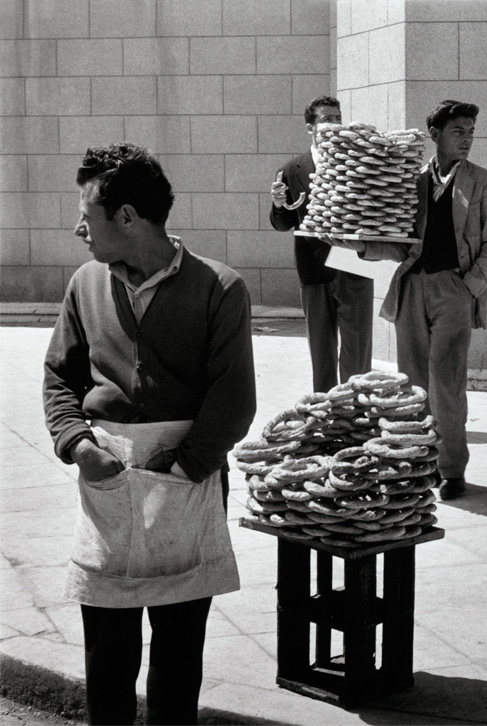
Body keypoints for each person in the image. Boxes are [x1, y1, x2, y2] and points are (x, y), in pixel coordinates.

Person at [43, 143, 256, 724]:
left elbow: (233, 399)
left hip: (189, 476)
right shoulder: (84, 284)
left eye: (88, 216)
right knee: (107, 649)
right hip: (106, 478)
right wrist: (79, 444)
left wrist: (187, 466)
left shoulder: (219, 287)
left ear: (129, 218)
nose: (78, 228)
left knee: (178, 650)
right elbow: (59, 376)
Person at [349, 100, 487, 500]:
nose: (467, 139)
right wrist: (361, 246)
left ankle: (452, 471)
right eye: (459, 131)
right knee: (414, 385)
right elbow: (399, 243)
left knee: (447, 385)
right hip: (412, 287)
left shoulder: (485, 183)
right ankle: (421, 467)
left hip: (453, 291)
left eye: (471, 132)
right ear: (435, 135)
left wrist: (469, 286)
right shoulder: (413, 182)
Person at [270, 95, 375, 392]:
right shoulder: (291, 169)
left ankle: (357, 410)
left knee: (357, 350)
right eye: (327, 120)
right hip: (313, 267)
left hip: (354, 264)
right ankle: (327, 414)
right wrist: (279, 204)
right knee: (321, 351)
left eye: (338, 118)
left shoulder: (359, 162)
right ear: (310, 128)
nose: (334, 125)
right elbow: (283, 223)